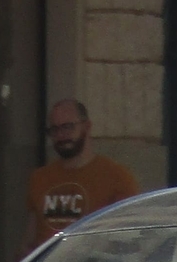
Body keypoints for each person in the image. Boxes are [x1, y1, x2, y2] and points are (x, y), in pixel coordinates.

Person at [27, 98, 140, 247]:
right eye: (54, 129)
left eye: (68, 127)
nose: (61, 135)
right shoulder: (40, 178)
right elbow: (29, 240)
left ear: (87, 127)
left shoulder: (117, 178)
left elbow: (132, 240)